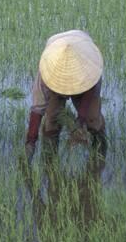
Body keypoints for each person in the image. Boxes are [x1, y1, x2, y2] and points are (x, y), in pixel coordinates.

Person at [25, 30, 106, 159]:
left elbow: (90, 91)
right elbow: (37, 110)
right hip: (57, 50)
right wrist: (30, 142)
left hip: (82, 51)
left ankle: (100, 153)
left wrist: (81, 119)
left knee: (93, 119)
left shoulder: (90, 68)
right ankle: (50, 159)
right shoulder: (46, 74)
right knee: (52, 120)